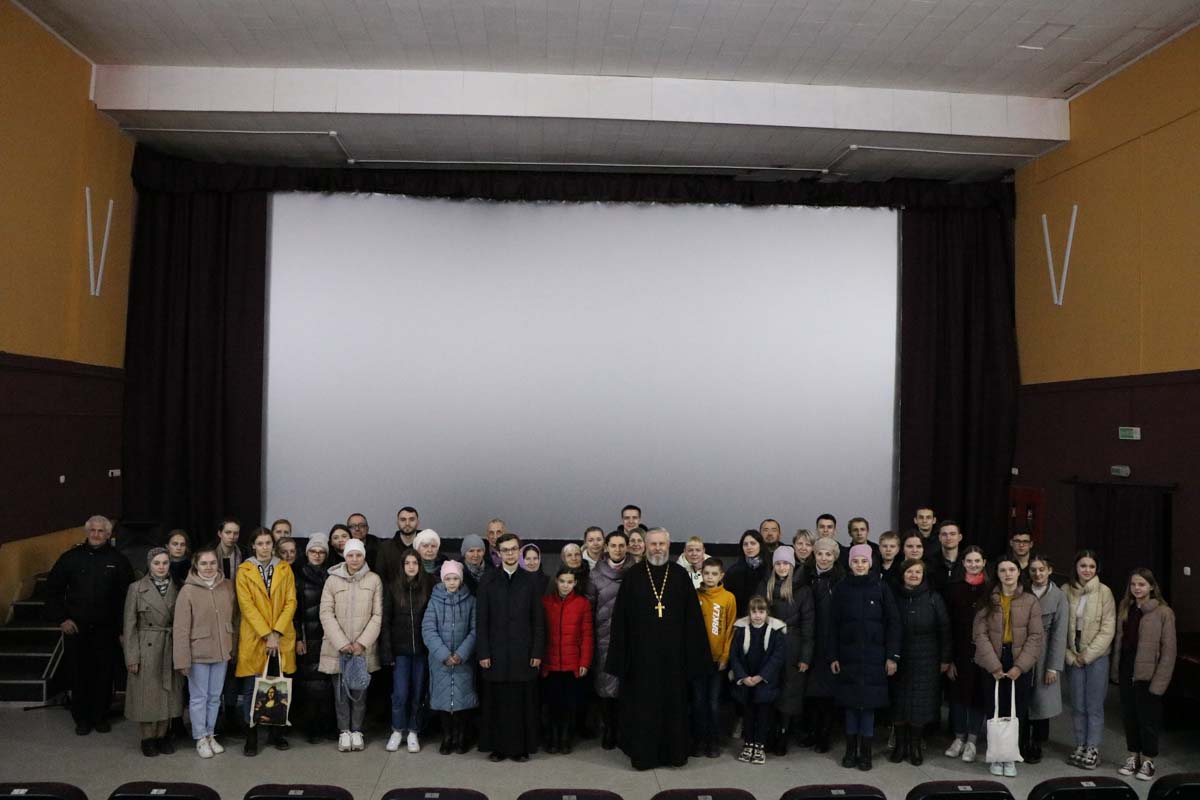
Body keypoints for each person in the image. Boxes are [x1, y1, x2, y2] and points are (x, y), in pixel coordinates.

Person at [605, 528, 710, 770]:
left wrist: (695, 658)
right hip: (641, 659)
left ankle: (675, 754)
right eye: (653, 544)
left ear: (669, 545)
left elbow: (693, 620)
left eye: (662, 544)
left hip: (674, 659)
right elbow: (620, 620)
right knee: (643, 708)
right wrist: (620, 659)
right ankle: (644, 755)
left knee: (674, 707)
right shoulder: (633, 576)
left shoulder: (680, 575)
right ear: (645, 546)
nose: (657, 548)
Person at [45, 515, 135, 736]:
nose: (96, 534)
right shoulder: (70, 558)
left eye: (101, 531)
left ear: (108, 534)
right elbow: (52, 590)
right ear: (87, 532)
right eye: (92, 530)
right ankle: (82, 719)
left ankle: (100, 717)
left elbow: (128, 598)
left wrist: (123, 629)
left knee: (104, 675)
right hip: (76, 629)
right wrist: (61, 619)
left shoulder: (119, 560)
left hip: (107, 630)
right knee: (78, 674)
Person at [829, 544, 900, 771]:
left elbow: (893, 623)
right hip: (847, 658)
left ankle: (866, 753)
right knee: (851, 706)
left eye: (863, 561)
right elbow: (832, 625)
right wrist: (833, 655)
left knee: (868, 707)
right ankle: (851, 751)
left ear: (870, 563)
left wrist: (892, 656)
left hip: (874, 658)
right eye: (855, 561)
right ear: (849, 564)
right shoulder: (841, 588)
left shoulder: (881, 587)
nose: (859, 565)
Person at [476, 532, 546, 761]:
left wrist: (537, 651)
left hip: (523, 651)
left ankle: (520, 748)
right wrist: (483, 651)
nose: (509, 553)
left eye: (513, 549)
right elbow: (481, 620)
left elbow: (538, 620)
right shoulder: (488, 580)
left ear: (519, 551)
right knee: (497, 702)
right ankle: (498, 748)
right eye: (505, 550)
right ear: (498, 553)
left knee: (521, 702)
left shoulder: (531, 581)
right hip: (495, 652)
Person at [973, 555, 1043, 778]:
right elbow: (979, 634)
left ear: (1018, 572)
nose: (1007, 574)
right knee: (994, 708)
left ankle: (1011, 756)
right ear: (997, 574)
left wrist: (1020, 667)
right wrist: (993, 665)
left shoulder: (1030, 600)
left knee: (1016, 709)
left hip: (1018, 658)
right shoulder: (988, 599)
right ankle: (996, 756)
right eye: (1002, 570)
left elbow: (1036, 636)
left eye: (1011, 569)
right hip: (993, 658)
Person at [235, 527, 297, 756]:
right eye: (259, 543)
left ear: (273, 545)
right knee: (253, 688)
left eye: (268, 543)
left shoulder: (284, 568)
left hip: (280, 636)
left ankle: (276, 733)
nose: (264, 548)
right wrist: (267, 634)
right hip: (256, 636)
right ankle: (251, 735)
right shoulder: (244, 571)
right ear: (253, 546)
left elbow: (291, 602)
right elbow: (247, 606)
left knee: (278, 686)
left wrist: (277, 632)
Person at [320, 538, 383, 752]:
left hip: (361, 649)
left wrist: (362, 643)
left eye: (358, 555)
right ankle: (344, 731)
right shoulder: (332, 581)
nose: (354, 559)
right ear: (344, 556)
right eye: (350, 555)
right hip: (338, 648)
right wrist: (342, 643)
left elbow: (377, 615)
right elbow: (326, 613)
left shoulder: (374, 580)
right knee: (340, 693)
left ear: (364, 556)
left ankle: (357, 730)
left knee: (359, 692)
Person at [1113, 568, 1176, 782]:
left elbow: (1169, 651)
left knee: (1148, 720)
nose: (1137, 588)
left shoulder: (1163, 612)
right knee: (1129, 717)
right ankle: (1133, 756)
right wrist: (1116, 670)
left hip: (1148, 675)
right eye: (1133, 584)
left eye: (1141, 584)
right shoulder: (1126, 607)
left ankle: (1148, 760)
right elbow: (1120, 641)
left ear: (1151, 586)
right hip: (1127, 670)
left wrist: (1159, 683)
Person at [173, 546, 236, 759]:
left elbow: (233, 617)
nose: (209, 567)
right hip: (198, 652)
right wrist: (182, 659)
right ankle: (200, 736)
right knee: (199, 697)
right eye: (204, 563)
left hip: (221, 650)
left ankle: (210, 733)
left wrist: (232, 645)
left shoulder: (227, 586)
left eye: (212, 563)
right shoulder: (187, 591)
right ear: (196, 566)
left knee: (215, 696)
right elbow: (181, 629)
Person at [889, 559, 951, 766]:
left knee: (920, 704)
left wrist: (945, 658)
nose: (914, 575)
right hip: (898, 657)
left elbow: (945, 630)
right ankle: (900, 745)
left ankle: (915, 746)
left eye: (918, 572)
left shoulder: (933, 598)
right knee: (898, 703)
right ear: (902, 574)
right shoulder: (893, 596)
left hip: (927, 659)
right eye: (909, 572)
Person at [124, 547, 185, 756]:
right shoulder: (136, 588)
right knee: (147, 696)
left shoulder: (178, 587)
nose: (161, 567)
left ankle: (162, 736)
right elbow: (129, 625)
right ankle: (147, 738)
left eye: (165, 563)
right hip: (146, 648)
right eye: (156, 563)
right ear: (149, 565)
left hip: (170, 646)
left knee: (168, 695)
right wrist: (132, 656)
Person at [757, 546, 814, 756]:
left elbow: (808, 626)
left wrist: (805, 657)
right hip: (768, 645)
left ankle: (783, 735)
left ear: (792, 565)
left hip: (793, 647)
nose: (782, 567)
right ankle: (768, 734)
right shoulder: (764, 586)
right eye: (778, 563)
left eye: (786, 564)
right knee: (769, 689)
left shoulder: (803, 590)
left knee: (790, 693)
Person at [1062, 549, 1116, 770]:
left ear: (1097, 569)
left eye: (1091, 566)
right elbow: (1059, 627)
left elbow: (1108, 628)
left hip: (1096, 657)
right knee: (1077, 704)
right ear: (1076, 567)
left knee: (1094, 705)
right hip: (1073, 656)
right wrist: (1070, 656)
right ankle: (1080, 745)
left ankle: (1093, 747)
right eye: (1083, 566)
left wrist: (1087, 655)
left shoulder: (1105, 592)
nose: (1087, 570)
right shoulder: (1065, 590)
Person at [380, 547, 435, 753]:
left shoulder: (429, 585)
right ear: (402, 566)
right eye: (407, 563)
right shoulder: (393, 587)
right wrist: (387, 650)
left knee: (418, 693)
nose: (411, 567)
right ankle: (397, 730)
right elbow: (386, 621)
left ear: (420, 566)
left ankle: (413, 731)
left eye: (415, 563)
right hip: (400, 651)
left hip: (422, 650)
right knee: (400, 693)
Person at [423, 560, 479, 755]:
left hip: (464, 661)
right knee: (444, 700)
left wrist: (461, 654)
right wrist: (444, 654)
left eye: (455, 578)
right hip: (441, 662)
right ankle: (447, 737)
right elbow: (428, 630)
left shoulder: (471, 601)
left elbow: (475, 630)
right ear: (443, 580)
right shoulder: (434, 602)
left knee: (463, 700)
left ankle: (461, 736)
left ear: (461, 580)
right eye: (448, 579)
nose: (452, 582)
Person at [541, 566, 594, 754]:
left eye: (570, 582)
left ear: (575, 583)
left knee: (568, 705)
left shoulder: (582, 603)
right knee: (552, 704)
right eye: (562, 581)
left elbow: (587, 635)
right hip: (550, 663)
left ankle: (565, 738)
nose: (565, 585)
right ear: (556, 581)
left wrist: (584, 662)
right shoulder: (546, 602)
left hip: (572, 664)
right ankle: (552, 738)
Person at [943, 545, 989, 762]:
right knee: (958, 697)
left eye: (977, 561)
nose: (973, 564)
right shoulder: (953, 588)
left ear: (984, 563)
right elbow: (947, 625)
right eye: (969, 561)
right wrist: (949, 658)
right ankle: (959, 737)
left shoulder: (990, 589)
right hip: (959, 652)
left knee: (978, 696)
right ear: (963, 564)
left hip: (983, 652)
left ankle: (972, 740)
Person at [731, 596, 786, 765]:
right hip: (746, 682)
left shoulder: (775, 633)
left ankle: (759, 746)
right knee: (748, 715)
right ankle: (748, 744)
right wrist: (743, 677)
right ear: (749, 613)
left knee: (763, 716)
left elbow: (777, 658)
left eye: (761, 612)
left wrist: (761, 676)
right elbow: (734, 656)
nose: (757, 615)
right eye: (753, 612)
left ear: (767, 613)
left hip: (765, 682)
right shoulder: (741, 631)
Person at [587, 530, 628, 750]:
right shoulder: (595, 575)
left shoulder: (636, 572)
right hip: (603, 639)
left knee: (626, 686)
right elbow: (589, 608)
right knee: (605, 687)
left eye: (621, 545)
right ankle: (609, 730)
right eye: (613, 545)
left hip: (628, 639)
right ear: (606, 548)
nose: (617, 550)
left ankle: (623, 730)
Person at [693, 556, 736, 758]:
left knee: (714, 703)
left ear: (721, 575)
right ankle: (699, 740)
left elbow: (730, 629)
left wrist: (725, 656)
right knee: (698, 702)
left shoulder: (728, 598)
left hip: (717, 660)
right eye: (706, 573)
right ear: (701, 574)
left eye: (714, 574)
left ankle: (714, 741)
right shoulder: (695, 595)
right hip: (698, 660)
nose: (710, 577)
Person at [802, 536, 842, 752]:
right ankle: (810, 731)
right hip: (809, 640)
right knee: (809, 692)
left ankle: (824, 734)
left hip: (829, 642)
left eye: (828, 554)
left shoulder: (840, 580)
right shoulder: (804, 576)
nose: (824, 558)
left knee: (826, 692)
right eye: (820, 553)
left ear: (834, 557)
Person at [1027, 554, 1068, 764]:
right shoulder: (1023, 590)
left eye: (1041, 569)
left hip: (1045, 652)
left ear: (1049, 570)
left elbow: (1060, 633)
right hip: (1023, 648)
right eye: (1033, 570)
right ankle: (1022, 740)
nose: (1038, 574)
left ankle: (1038, 742)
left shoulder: (1059, 596)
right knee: (1023, 697)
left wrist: (1053, 666)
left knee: (1042, 699)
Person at [294, 534, 333, 744]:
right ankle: (310, 727)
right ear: (307, 553)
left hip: (328, 637)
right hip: (307, 638)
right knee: (308, 684)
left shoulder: (331, 575)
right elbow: (295, 612)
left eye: (321, 552)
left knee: (326, 684)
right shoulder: (298, 576)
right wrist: (298, 638)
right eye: (313, 551)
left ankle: (325, 725)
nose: (317, 555)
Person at [725, 529, 769, 617]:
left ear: (760, 545)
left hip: (765, 615)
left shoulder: (770, 567)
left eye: (753, 543)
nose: (749, 547)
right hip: (740, 617)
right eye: (745, 544)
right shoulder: (734, 571)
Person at [377, 506, 422, 581]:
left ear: (418, 522)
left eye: (411, 519)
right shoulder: (385, 548)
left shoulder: (426, 547)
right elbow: (381, 577)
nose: (407, 523)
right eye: (403, 520)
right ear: (397, 523)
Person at [928, 520, 965, 592]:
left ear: (960, 537)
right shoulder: (930, 562)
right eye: (944, 534)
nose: (948, 538)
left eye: (952, 534)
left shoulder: (968, 561)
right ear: (939, 538)